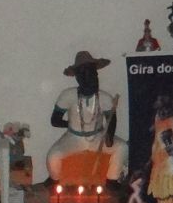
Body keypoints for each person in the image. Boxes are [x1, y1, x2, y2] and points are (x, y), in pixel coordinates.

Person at [47, 51, 128, 184]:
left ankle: (112, 180)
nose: (91, 78)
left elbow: (111, 120)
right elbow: (55, 121)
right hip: (73, 138)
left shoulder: (105, 98)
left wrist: (109, 137)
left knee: (123, 147)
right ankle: (55, 181)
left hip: (98, 137)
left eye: (93, 73)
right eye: (84, 74)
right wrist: (72, 125)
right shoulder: (68, 95)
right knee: (53, 157)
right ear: (78, 77)